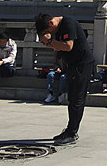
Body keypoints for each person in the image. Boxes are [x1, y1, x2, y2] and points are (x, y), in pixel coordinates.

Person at [34, 12, 94, 145]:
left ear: (51, 23)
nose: (50, 32)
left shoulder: (68, 23)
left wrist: (50, 41)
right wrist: (50, 43)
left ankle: (72, 133)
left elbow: (68, 46)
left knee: (76, 99)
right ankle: (69, 130)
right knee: (72, 98)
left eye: (48, 30)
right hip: (72, 65)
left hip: (82, 65)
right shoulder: (58, 28)